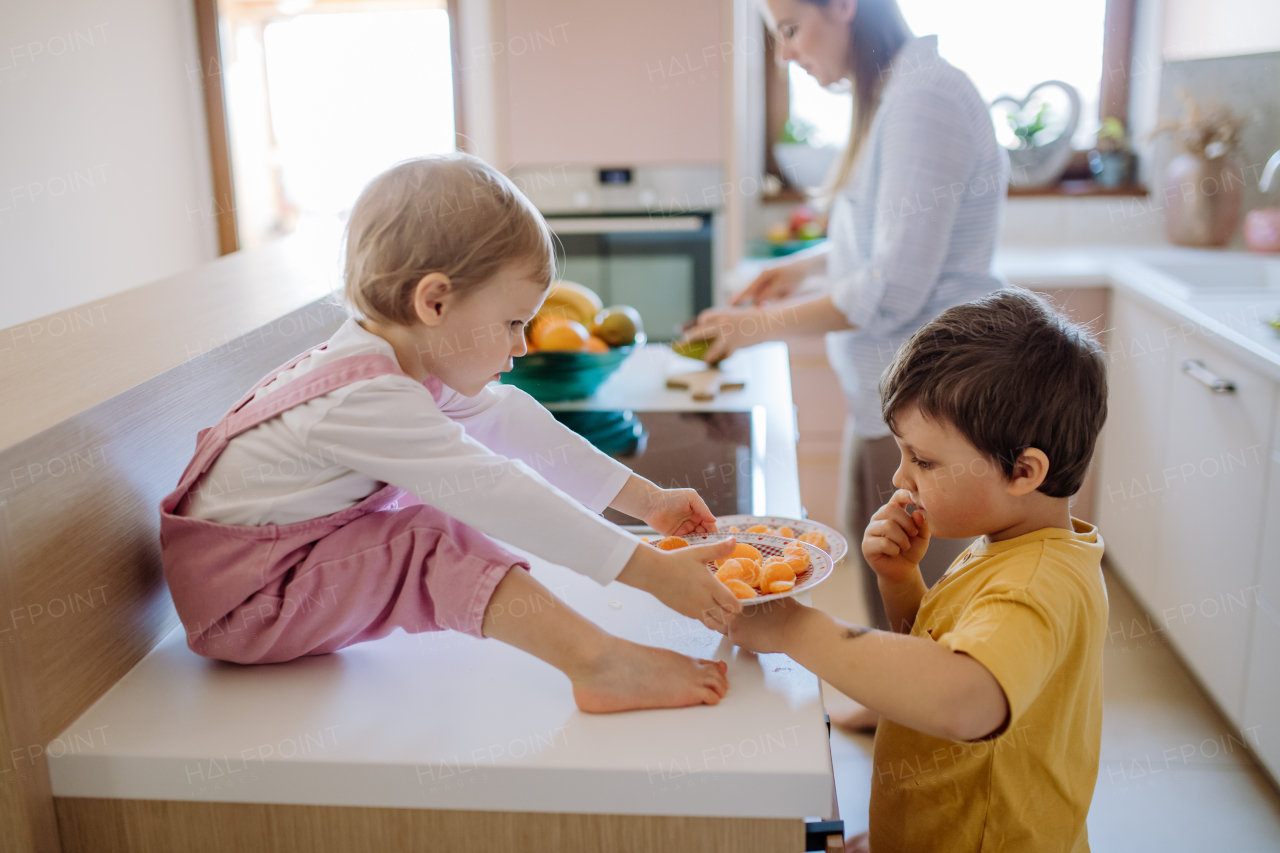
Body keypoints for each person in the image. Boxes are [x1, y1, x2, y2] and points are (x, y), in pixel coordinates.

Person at [158, 153, 744, 713]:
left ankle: (599, 658)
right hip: (246, 606)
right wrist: (647, 569)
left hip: (279, 570)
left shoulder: (394, 361)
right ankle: (599, 664)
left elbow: (510, 421)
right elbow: (492, 488)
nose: (520, 344)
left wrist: (650, 503)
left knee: (452, 512)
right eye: (513, 322)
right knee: (435, 538)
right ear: (434, 302)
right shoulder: (363, 397)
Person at [682, 0, 1010, 724]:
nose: (787, 54)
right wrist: (797, 268)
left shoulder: (925, 100)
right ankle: (889, 697)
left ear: (844, 6)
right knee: (883, 554)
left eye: (792, 30)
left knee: (926, 584)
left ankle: (921, 725)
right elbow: (877, 241)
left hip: (938, 401)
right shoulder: (895, 96)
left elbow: (895, 281)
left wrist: (758, 324)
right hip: (894, 394)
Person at [724, 288, 1109, 852]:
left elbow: (963, 700)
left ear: (1023, 471)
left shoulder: (1034, 586)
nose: (902, 479)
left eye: (924, 461)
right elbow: (938, 654)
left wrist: (793, 628)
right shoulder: (1014, 547)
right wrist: (902, 583)